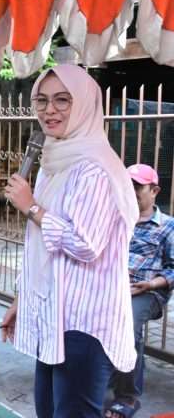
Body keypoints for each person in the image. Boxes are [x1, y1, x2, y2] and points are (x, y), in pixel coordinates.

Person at [2, 64, 139, 418]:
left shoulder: (94, 168)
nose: (50, 110)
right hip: (54, 314)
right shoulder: (54, 160)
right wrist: (23, 298)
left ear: (84, 105)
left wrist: (31, 206)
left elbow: (85, 243)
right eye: (43, 100)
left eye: (63, 100)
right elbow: (39, 244)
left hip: (84, 323)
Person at [105, 164, 174, 418]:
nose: (130, 191)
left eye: (137, 187)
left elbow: (173, 269)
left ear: (154, 190)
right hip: (112, 286)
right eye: (127, 185)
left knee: (127, 322)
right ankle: (106, 373)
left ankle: (127, 396)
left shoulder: (167, 226)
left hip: (146, 290)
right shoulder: (117, 218)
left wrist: (152, 284)